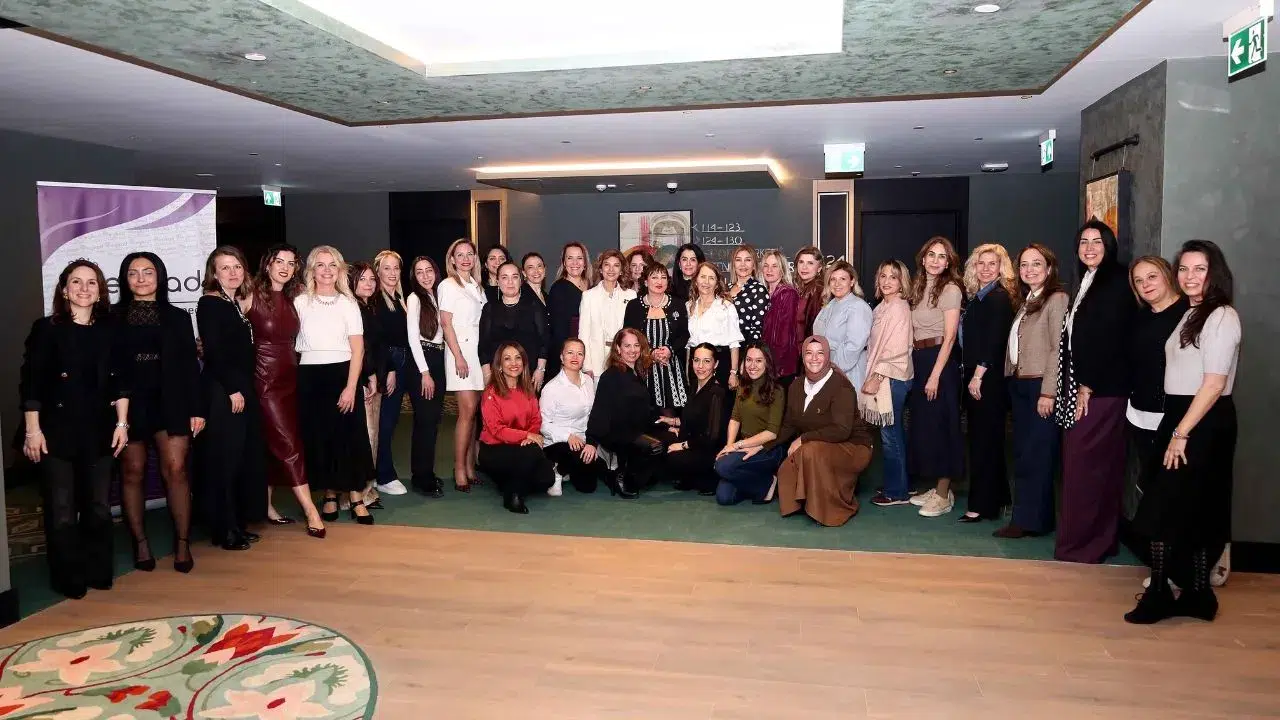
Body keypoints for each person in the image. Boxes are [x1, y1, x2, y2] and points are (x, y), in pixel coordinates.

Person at [1127, 240, 1240, 624]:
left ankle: (1160, 594)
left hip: (1201, 419)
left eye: (1199, 269)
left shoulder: (1221, 316)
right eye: (1184, 269)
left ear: (1215, 273)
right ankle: (1198, 595)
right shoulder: (1191, 313)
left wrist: (1181, 433)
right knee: (1188, 508)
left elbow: (1214, 383)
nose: (1190, 276)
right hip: (1180, 415)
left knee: (1166, 507)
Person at [21, 260, 129, 598]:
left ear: (100, 291)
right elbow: (32, 384)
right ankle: (68, 577)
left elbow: (121, 381)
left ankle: (98, 570)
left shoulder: (112, 329)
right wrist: (32, 431)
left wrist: (122, 424)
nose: (84, 288)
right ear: (64, 290)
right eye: (76, 282)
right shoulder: (46, 329)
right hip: (55, 432)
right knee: (63, 510)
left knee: (98, 507)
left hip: (100, 429)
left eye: (91, 282)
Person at [114, 252, 202, 572]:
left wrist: (197, 409)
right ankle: (140, 543)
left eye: (148, 272)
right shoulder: (112, 317)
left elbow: (190, 367)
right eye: (133, 273)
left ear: (159, 276)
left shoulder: (178, 317)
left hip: (171, 401)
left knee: (176, 470)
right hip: (129, 403)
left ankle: (182, 543)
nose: (141, 279)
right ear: (125, 280)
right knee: (132, 471)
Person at [1055, 220, 1135, 563]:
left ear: (1109, 245)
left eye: (1097, 241)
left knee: (1090, 467)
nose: (1089, 248)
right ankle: (1087, 542)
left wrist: (1087, 385)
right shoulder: (1089, 279)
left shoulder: (1116, 280)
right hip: (1084, 384)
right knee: (1083, 466)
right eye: (1084, 241)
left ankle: (1088, 545)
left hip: (1101, 389)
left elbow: (1112, 339)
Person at [1124, 256, 1198, 581]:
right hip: (1141, 417)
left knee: (1174, 496)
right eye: (1139, 281)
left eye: (1152, 276)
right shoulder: (1140, 318)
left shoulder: (1188, 315)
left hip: (1174, 420)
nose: (1146, 285)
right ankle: (1164, 568)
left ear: (1167, 276)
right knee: (1152, 491)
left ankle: (1180, 571)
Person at [245, 244, 325, 538]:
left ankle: (265, 506)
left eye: (291, 263)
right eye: (279, 261)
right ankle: (310, 510)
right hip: (264, 381)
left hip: (291, 376)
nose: (285, 267)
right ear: (267, 264)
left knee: (274, 442)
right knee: (288, 444)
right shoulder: (249, 295)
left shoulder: (295, 297)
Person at [294, 245, 375, 526]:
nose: (326, 270)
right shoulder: (300, 302)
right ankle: (329, 495)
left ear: (339, 270)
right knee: (322, 438)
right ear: (311, 270)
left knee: (350, 438)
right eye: (320, 264)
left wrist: (351, 387)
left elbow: (358, 349)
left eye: (332, 265)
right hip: (310, 378)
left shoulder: (348, 303)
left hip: (343, 375)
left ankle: (356, 498)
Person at [196, 246, 267, 550]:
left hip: (240, 387)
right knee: (225, 462)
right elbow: (213, 352)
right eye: (224, 267)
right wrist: (232, 389)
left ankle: (236, 525)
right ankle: (225, 531)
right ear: (214, 273)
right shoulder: (210, 303)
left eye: (236, 266)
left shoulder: (233, 303)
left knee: (239, 460)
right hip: (224, 392)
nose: (232, 272)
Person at [1001, 244, 1069, 538]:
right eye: (1024, 265)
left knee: (1037, 454)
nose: (1029, 270)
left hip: (1040, 386)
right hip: (1020, 384)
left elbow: (1057, 348)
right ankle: (1035, 519)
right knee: (1024, 452)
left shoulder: (1057, 299)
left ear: (1049, 268)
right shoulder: (1027, 300)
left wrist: (1048, 392)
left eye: (1036, 264)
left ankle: (1027, 522)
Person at [770, 336, 874, 527]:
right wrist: (762, 444)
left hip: (853, 446)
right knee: (787, 468)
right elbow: (788, 425)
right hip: (817, 446)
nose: (814, 358)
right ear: (803, 357)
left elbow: (841, 430)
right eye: (809, 353)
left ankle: (831, 509)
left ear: (827, 356)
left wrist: (803, 439)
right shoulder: (796, 386)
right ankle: (805, 501)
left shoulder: (841, 386)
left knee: (810, 451)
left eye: (820, 353)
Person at [958, 244, 1017, 524]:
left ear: (1001, 268)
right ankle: (999, 498)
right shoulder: (979, 298)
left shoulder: (998, 298)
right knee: (988, 439)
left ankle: (981, 506)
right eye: (981, 263)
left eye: (992, 264)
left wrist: (978, 376)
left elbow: (995, 341)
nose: (985, 268)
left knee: (983, 442)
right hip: (978, 374)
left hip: (986, 377)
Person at [906, 236, 965, 519]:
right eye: (931, 254)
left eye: (942, 256)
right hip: (920, 359)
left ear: (949, 262)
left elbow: (950, 336)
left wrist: (935, 376)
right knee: (926, 427)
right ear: (923, 257)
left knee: (943, 427)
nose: (935, 260)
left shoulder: (951, 289)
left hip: (940, 362)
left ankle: (943, 494)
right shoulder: (918, 287)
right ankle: (937, 487)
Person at [862, 260, 916, 508]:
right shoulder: (881, 307)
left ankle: (897, 492)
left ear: (902, 282)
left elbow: (897, 348)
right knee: (892, 433)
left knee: (890, 435)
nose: (886, 281)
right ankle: (899, 483)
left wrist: (877, 376)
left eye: (893, 277)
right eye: (883, 276)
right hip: (887, 376)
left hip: (892, 377)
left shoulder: (899, 308)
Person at [585, 328, 663, 498]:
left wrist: (663, 421)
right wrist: (591, 440)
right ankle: (622, 475)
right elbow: (600, 410)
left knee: (667, 439)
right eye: (627, 346)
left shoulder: (638, 372)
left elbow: (643, 407)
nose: (632, 350)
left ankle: (631, 475)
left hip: (636, 429)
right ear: (618, 348)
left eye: (636, 345)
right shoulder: (610, 376)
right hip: (616, 432)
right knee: (655, 446)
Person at [479, 341, 556, 513]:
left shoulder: (528, 390)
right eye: (507, 359)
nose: (514, 363)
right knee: (533, 453)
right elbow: (496, 430)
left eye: (518, 358)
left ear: (524, 362)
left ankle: (508, 482)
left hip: (522, 447)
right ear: (499, 365)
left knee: (547, 478)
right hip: (494, 449)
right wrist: (527, 436)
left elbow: (536, 419)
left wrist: (530, 436)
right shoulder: (491, 392)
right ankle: (512, 496)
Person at [438, 238, 487, 492]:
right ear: (452, 259)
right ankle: (458, 468)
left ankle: (469, 467)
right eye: (460, 254)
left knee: (474, 413)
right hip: (461, 353)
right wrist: (458, 356)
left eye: (470, 254)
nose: (465, 259)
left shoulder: (477, 286)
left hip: (478, 353)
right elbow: (446, 324)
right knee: (466, 412)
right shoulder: (448, 285)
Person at [714, 343, 786, 505]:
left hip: (768, 449)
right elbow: (735, 418)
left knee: (722, 467)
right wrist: (728, 447)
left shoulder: (777, 390)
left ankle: (766, 480)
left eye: (758, 361)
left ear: (767, 363)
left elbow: (771, 433)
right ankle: (763, 483)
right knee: (724, 498)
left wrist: (736, 446)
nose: (752, 366)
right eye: (749, 360)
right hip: (744, 446)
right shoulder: (743, 385)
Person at [369, 250, 413, 498]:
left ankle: (379, 472)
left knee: (390, 419)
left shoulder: (397, 298)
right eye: (387, 268)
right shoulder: (376, 300)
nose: (392, 273)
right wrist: (391, 369)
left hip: (402, 359)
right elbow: (379, 340)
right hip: (389, 363)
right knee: (384, 421)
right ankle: (384, 476)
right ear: (378, 271)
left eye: (396, 268)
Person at [541, 338, 607, 494]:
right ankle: (557, 471)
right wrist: (568, 436)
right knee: (579, 460)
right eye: (570, 353)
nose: (575, 357)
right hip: (558, 443)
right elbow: (543, 424)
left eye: (580, 354)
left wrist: (591, 443)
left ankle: (569, 468)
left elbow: (592, 416)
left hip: (583, 440)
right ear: (561, 357)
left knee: (588, 486)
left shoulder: (588, 381)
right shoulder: (551, 388)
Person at [406, 255, 448, 497]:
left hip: (438, 359)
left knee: (432, 422)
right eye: (419, 272)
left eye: (428, 270)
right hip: (423, 362)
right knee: (424, 421)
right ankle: (421, 477)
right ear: (414, 276)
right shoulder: (414, 298)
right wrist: (425, 373)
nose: (425, 276)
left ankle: (426, 473)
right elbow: (413, 337)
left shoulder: (438, 296)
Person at [622, 262, 689, 414]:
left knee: (672, 413)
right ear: (646, 281)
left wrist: (670, 350)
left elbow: (684, 334)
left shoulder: (678, 304)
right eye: (654, 277)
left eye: (663, 277)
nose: (659, 281)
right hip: (643, 366)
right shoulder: (634, 306)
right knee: (643, 412)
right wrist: (650, 353)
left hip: (671, 367)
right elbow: (628, 335)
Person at [663, 344, 728, 494]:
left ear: (715, 364)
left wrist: (683, 445)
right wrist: (674, 423)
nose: (700, 366)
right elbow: (694, 418)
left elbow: (712, 437)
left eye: (706, 361)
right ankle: (690, 477)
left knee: (671, 457)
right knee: (662, 441)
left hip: (709, 450)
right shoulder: (694, 386)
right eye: (697, 360)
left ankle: (706, 479)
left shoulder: (716, 392)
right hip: (695, 444)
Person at [350, 262, 389, 508]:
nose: (369, 283)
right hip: (364, 380)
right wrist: (370, 375)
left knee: (372, 434)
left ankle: (366, 490)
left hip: (375, 379)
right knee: (365, 435)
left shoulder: (369, 307)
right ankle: (359, 494)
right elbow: (359, 348)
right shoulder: (354, 308)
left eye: (372, 279)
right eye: (362, 279)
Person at [479, 260, 548, 390]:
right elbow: (483, 345)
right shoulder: (490, 308)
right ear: (498, 282)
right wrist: (487, 375)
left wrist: (540, 370)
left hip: (529, 375)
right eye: (505, 277)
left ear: (520, 281)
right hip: (499, 376)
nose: (510, 282)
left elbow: (544, 341)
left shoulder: (533, 306)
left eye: (514, 277)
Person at [812, 260, 873, 389]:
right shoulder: (829, 305)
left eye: (843, 279)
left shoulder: (858, 307)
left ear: (852, 281)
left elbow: (853, 346)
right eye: (833, 279)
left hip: (847, 372)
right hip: (825, 370)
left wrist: (831, 368)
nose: (837, 284)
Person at [686, 261, 743, 395]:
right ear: (695, 281)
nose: (706, 282)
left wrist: (733, 373)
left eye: (711, 278)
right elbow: (689, 343)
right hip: (696, 365)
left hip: (720, 364)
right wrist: (687, 371)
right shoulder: (689, 306)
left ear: (717, 284)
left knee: (717, 404)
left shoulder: (726, 306)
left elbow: (734, 343)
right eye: (703, 277)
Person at [579, 250, 636, 376]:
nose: (611, 269)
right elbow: (583, 333)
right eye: (607, 265)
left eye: (616, 265)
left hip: (624, 358)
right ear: (600, 269)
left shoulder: (631, 295)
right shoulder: (588, 296)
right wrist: (586, 366)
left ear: (621, 270)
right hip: (597, 362)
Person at [546, 242, 592, 379]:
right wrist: (565, 359)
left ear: (585, 262)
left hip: (589, 352)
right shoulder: (558, 289)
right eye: (570, 258)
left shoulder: (592, 286)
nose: (575, 263)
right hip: (569, 356)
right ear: (564, 263)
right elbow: (558, 331)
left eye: (579, 258)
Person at [760, 249, 801, 383]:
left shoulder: (787, 293)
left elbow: (785, 335)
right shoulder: (764, 294)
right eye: (766, 266)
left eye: (774, 266)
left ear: (782, 269)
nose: (769, 270)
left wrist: (774, 366)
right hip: (766, 363)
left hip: (781, 367)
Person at [728, 245, 770, 344]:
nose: (743, 264)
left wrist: (750, 350)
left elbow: (757, 328)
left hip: (744, 346)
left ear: (754, 265)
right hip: (722, 346)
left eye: (747, 260)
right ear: (733, 265)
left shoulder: (759, 290)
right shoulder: (725, 288)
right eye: (738, 260)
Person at [793, 246, 825, 344]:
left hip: (808, 346)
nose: (804, 267)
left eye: (810, 263)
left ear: (819, 268)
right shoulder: (799, 288)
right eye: (801, 262)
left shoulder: (818, 290)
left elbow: (815, 327)